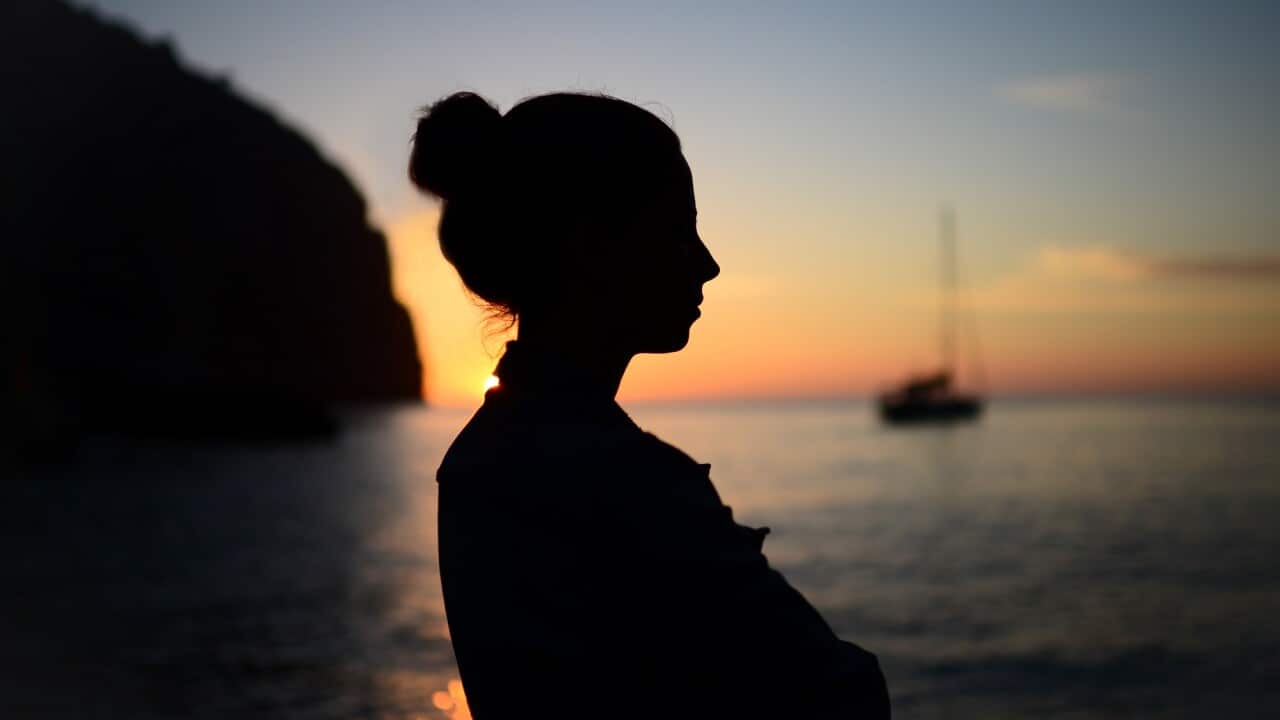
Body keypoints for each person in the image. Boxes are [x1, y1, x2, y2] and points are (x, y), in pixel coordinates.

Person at [409, 91, 890, 719]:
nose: (708, 264)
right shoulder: (626, 482)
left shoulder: (476, 461)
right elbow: (840, 695)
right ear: (588, 244)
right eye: (677, 231)